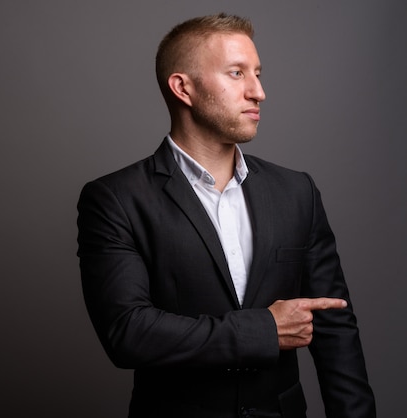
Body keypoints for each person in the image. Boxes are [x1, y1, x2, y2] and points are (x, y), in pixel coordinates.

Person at [76, 13, 375, 418]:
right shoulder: (115, 199)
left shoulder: (296, 191)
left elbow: (335, 329)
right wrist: (264, 330)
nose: (259, 92)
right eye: (237, 73)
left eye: (257, 73)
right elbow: (128, 332)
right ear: (184, 88)